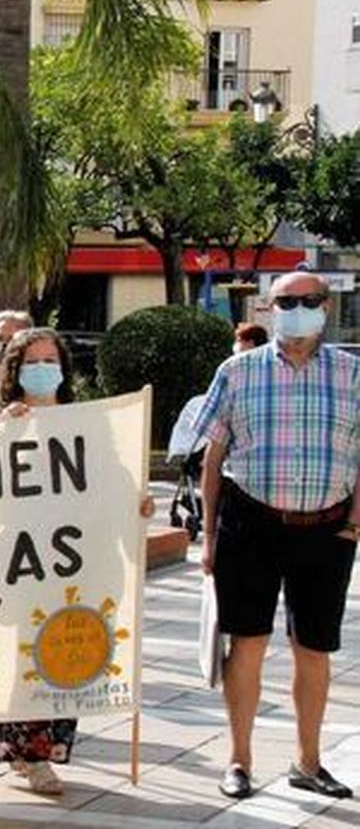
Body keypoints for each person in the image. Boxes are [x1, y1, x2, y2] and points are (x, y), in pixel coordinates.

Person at [196, 271, 360, 801]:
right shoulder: (238, 371)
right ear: (269, 308)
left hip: (327, 528)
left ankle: (308, 763)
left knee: (314, 649)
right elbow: (214, 456)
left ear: (326, 305)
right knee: (247, 644)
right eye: (286, 301)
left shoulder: (352, 374)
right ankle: (239, 761)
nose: (297, 309)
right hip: (250, 523)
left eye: (308, 300)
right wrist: (209, 534)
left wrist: (355, 522)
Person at [0, 327, 154, 794]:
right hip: (26, 562)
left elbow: (112, 478)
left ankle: (35, 749)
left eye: (49, 360)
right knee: (29, 656)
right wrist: (2, 429)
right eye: (31, 362)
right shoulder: (3, 424)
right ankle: (33, 756)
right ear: (16, 372)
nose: (42, 370)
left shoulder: (89, 422)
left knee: (70, 653)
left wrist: (135, 505)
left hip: (81, 562)